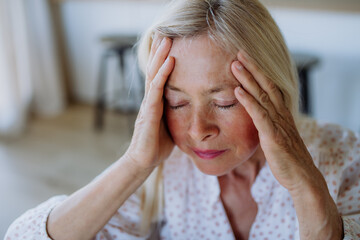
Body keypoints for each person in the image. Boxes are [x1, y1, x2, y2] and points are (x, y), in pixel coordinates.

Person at [5, 0, 360, 239]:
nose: (196, 130)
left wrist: (305, 188)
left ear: (276, 92)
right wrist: (134, 164)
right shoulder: (166, 168)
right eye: (176, 103)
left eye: (222, 102)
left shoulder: (341, 157)